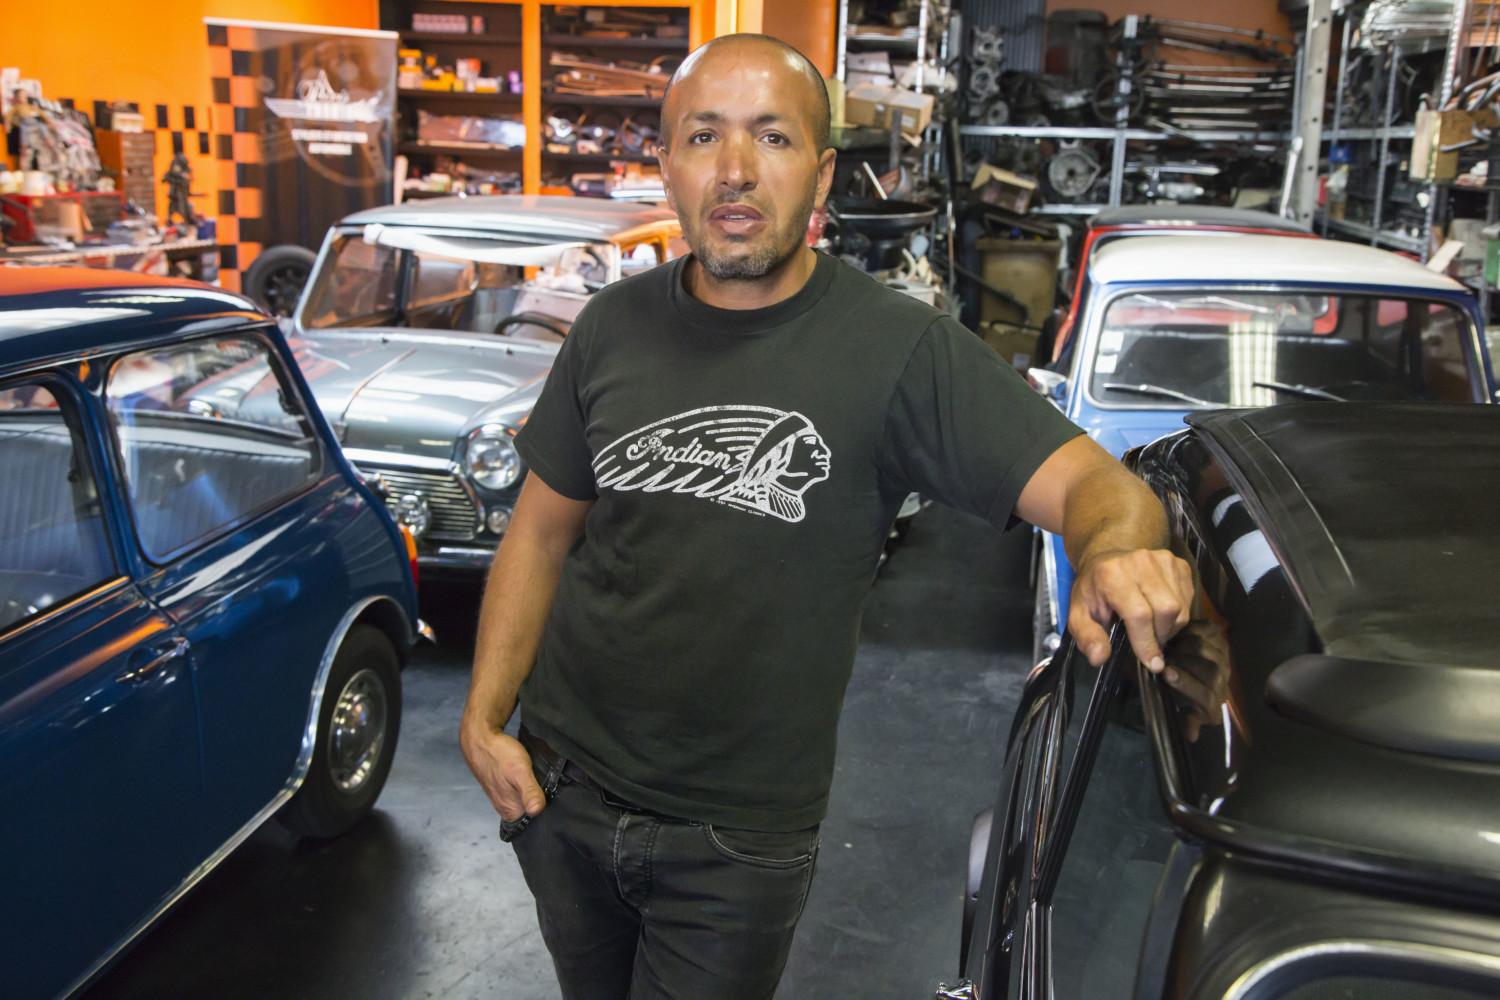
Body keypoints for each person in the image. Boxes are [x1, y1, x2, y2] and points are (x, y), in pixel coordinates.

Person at [460, 33, 1198, 999]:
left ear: (822, 172)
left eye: (771, 137)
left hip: (733, 842)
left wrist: (1116, 548)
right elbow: (540, 531)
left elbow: (1101, 487)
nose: (734, 169)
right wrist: (484, 719)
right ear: (668, 165)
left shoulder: (899, 351)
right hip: (559, 787)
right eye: (703, 136)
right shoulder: (610, 326)